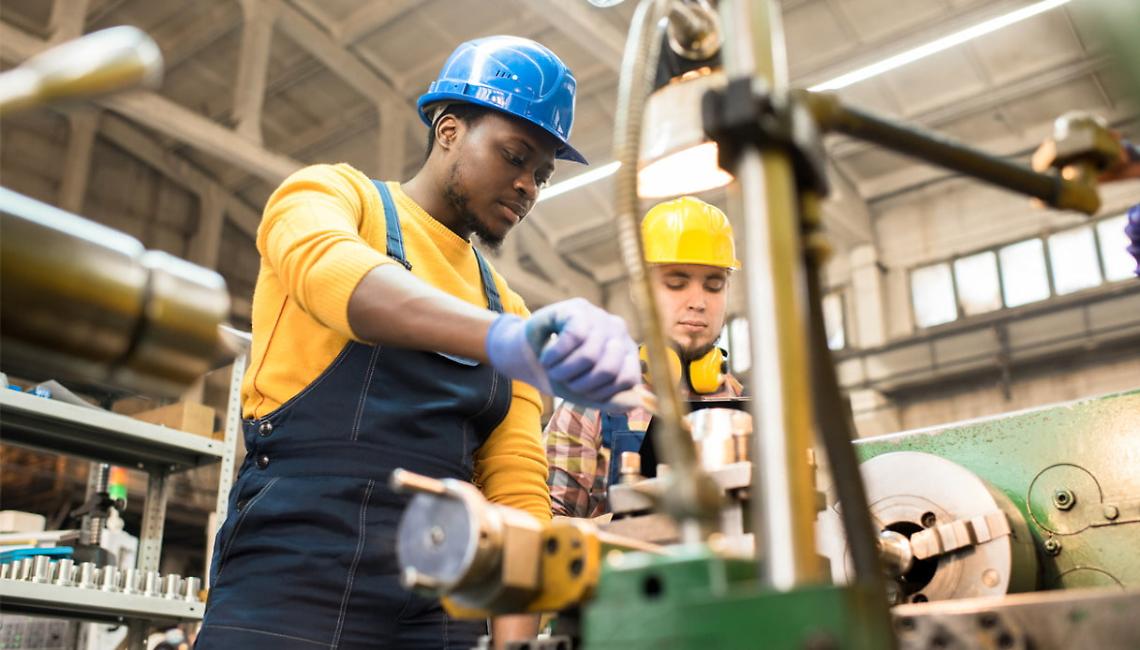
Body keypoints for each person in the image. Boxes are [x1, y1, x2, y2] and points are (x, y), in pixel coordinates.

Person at [195, 36, 640, 650]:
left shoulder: (507, 303)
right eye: (514, 156)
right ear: (449, 129)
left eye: (541, 174)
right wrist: (503, 340)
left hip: (442, 601)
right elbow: (339, 278)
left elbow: (516, 492)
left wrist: (514, 643)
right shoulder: (333, 198)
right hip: (293, 578)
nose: (528, 187)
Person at [545, 197, 745, 519]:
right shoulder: (590, 404)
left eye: (714, 285)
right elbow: (547, 530)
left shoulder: (743, 407)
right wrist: (633, 525)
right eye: (677, 283)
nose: (698, 302)